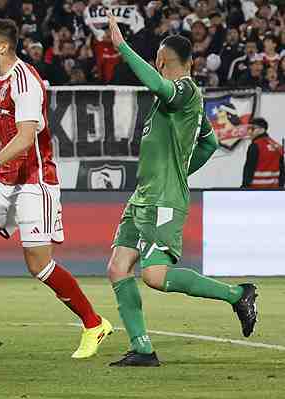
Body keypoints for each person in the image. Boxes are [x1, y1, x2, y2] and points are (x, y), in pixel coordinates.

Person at [0, 18, 112, 359]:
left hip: (34, 181)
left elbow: (26, 137)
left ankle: (94, 323)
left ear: (3, 46)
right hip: (4, 178)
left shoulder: (24, 81)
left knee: (39, 266)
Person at [105, 14, 258, 367]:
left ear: (160, 61)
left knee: (154, 276)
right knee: (118, 267)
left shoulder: (186, 88)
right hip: (144, 195)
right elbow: (210, 143)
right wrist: (179, 170)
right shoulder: (185, 103)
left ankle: (238, 294)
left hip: (163, 199)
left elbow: (161, 87)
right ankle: (142, 349)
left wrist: (123, 47)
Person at [242, 117, 284, 188]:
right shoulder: (278, 146)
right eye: (248, 129)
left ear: (262, 129)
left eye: (252, 129)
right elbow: (282, 171)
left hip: (256, 190)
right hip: (274, 190)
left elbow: (249, 170)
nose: (249, 132)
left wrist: (244, 187)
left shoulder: (255, 146)